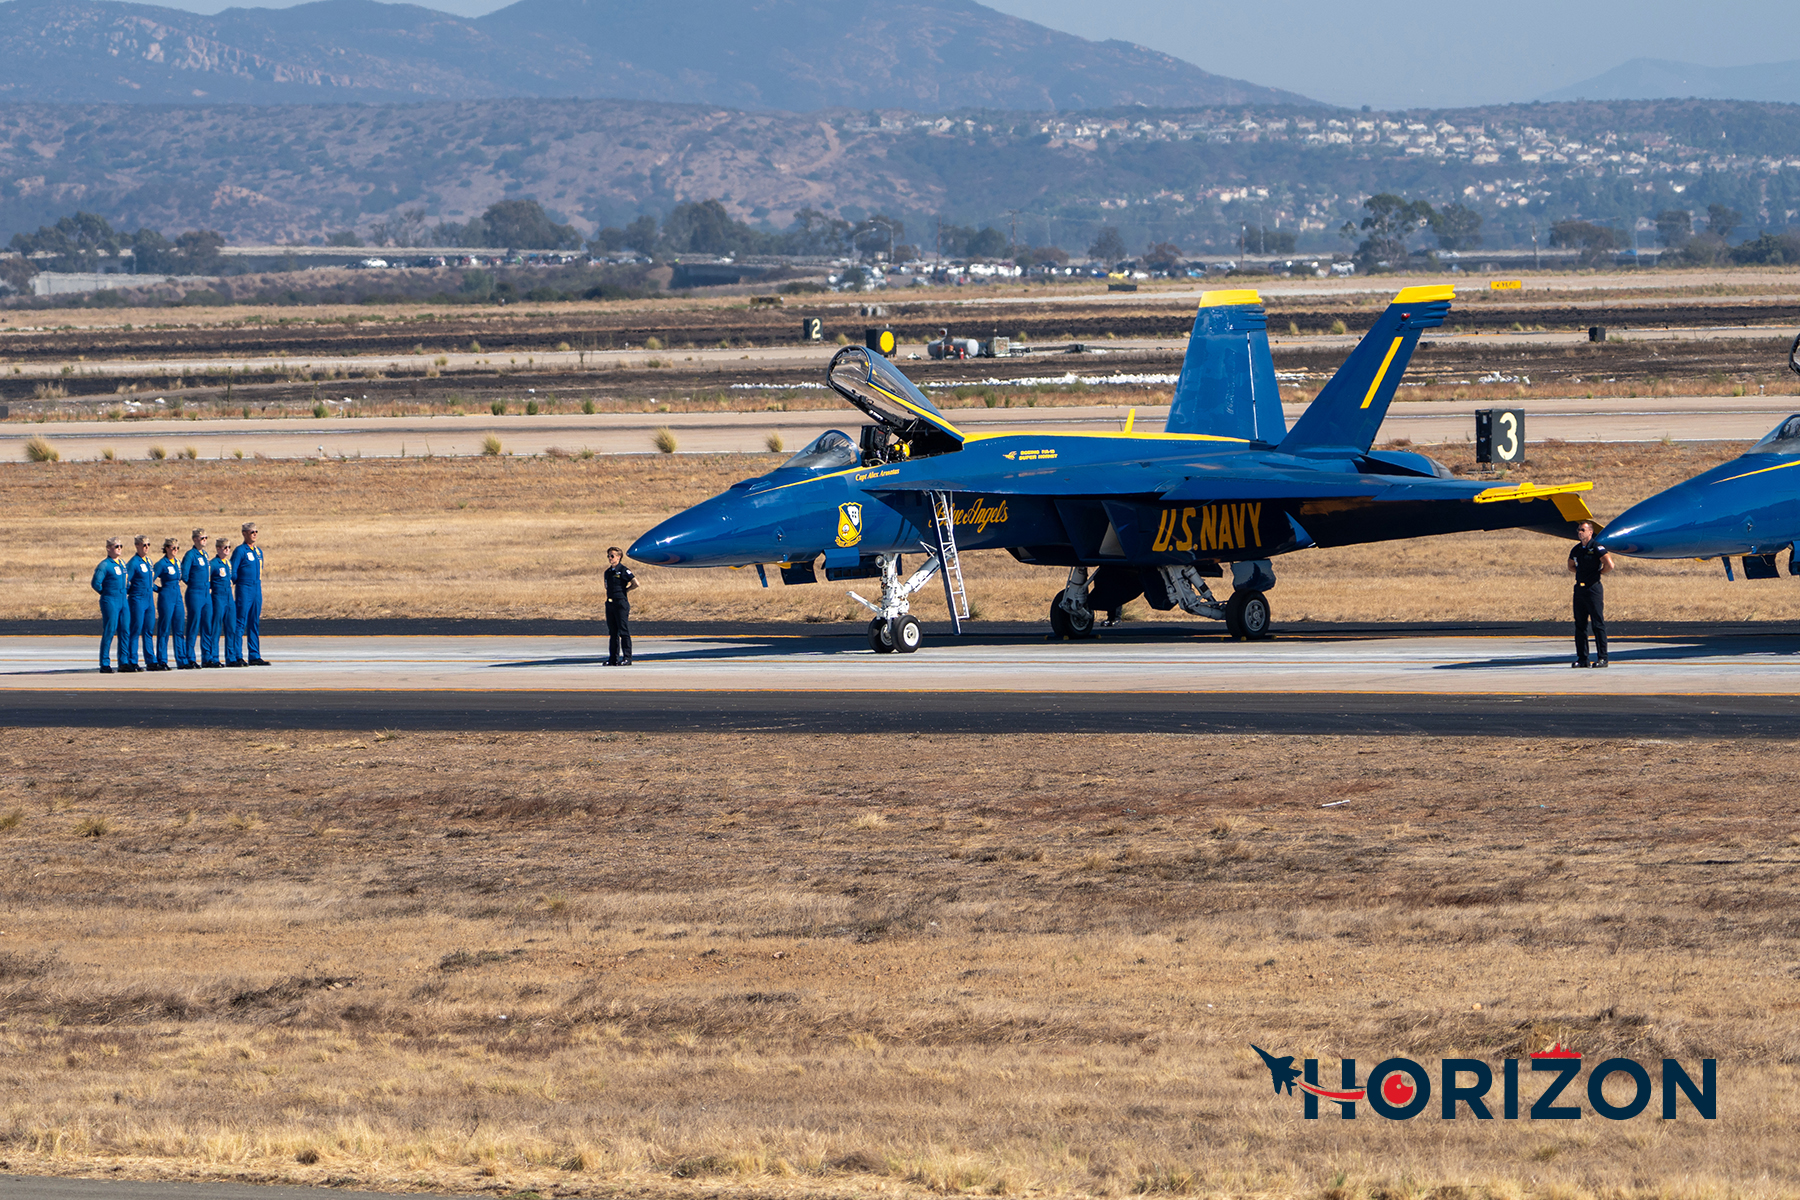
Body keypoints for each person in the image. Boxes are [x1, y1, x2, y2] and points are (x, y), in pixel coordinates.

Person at [1567, 518, 1615, 668]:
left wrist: (1598, 573)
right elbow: (1570, 566)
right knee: (1580, 625)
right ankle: (1582, 658)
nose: (1580, 533)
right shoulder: (1576, 549)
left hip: (1593, 588)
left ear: (1590, 532)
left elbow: (1610, 564)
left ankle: (1603, 658)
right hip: (1580, 589)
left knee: (1597, 624)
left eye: (1583, 530)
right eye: (1578, 530)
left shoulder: (1596, 547)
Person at [232, 522, 269, 666]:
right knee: (240, 621)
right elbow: (233, 571)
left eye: (256, 532)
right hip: (244, 587)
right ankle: (237, 655)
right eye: (251, 532)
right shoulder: (240, 551)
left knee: (254, 622)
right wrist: (239, 583)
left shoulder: (258, 552)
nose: (254, 534)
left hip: (256, 588)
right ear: (244, 533)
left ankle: (254, 655)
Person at [91, 537, 128, 674]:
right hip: (111, 599)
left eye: (120, 546)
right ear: (108, 548)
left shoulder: (122, 563)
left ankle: (123, 662)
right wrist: (105, 593)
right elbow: (95, 583)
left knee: (125, 630)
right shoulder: (104, 565)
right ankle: (105, 662)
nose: (119, 549)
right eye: (116, 546)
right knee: (110, 630)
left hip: (123, 599)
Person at [152, 537, 187, 671]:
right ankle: (162, 659)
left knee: (179, 628)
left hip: (177, 595)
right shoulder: (161, 564)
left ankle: (181, 659)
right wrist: (159, 590)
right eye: (173, 548)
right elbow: (149, 580)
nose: (175, 551)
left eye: (177, 548)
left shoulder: (177, 562)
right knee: (164, 628)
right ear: (166, 548)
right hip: (166, 595)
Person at [123, 535, 155, 674]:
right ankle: (132, 660)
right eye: (144, 545)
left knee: (148, 630)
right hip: (138, 598)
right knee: (135, 630)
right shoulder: (133, 563)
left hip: (149, 599)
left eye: (148, 545)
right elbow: (125, 581)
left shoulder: (148, 561)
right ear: (137, 546)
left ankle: (151, 660)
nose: (146, 547)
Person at [182, 528, 213, 668]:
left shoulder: (205, 554)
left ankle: (207, 657)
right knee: (194, 624)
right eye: (202, 538)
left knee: (207, 625)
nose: (204, 540)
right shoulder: (190, 555)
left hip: (206, 593)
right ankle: (190, 657)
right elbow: (185, 575)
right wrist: (195, 584)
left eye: (206, 538)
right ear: (195, 539)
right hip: (195, 592)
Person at [603, 545, 638, 666]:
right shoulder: (607, 572)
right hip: (610, 603)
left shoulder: (623, 570)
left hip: (620, 603)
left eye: (612, 556)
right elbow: (606, 586)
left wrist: (625, 591)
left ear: (619, 557)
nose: (610, 558)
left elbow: (636, 583)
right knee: (613, 632)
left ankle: (627, 658)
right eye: (608, 556)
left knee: (623, 631)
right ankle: (613, 658)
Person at [210, 535, 240, 667]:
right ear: (218, 549)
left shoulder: (228, 563)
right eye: (224, 547)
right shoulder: (213, 564)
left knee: (231, 628)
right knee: (216, 628)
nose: (227, 550)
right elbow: (206, 580)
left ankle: (231, 657)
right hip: (218, 598)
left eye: (228, 547)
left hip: (229, 598)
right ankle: (214, 657)